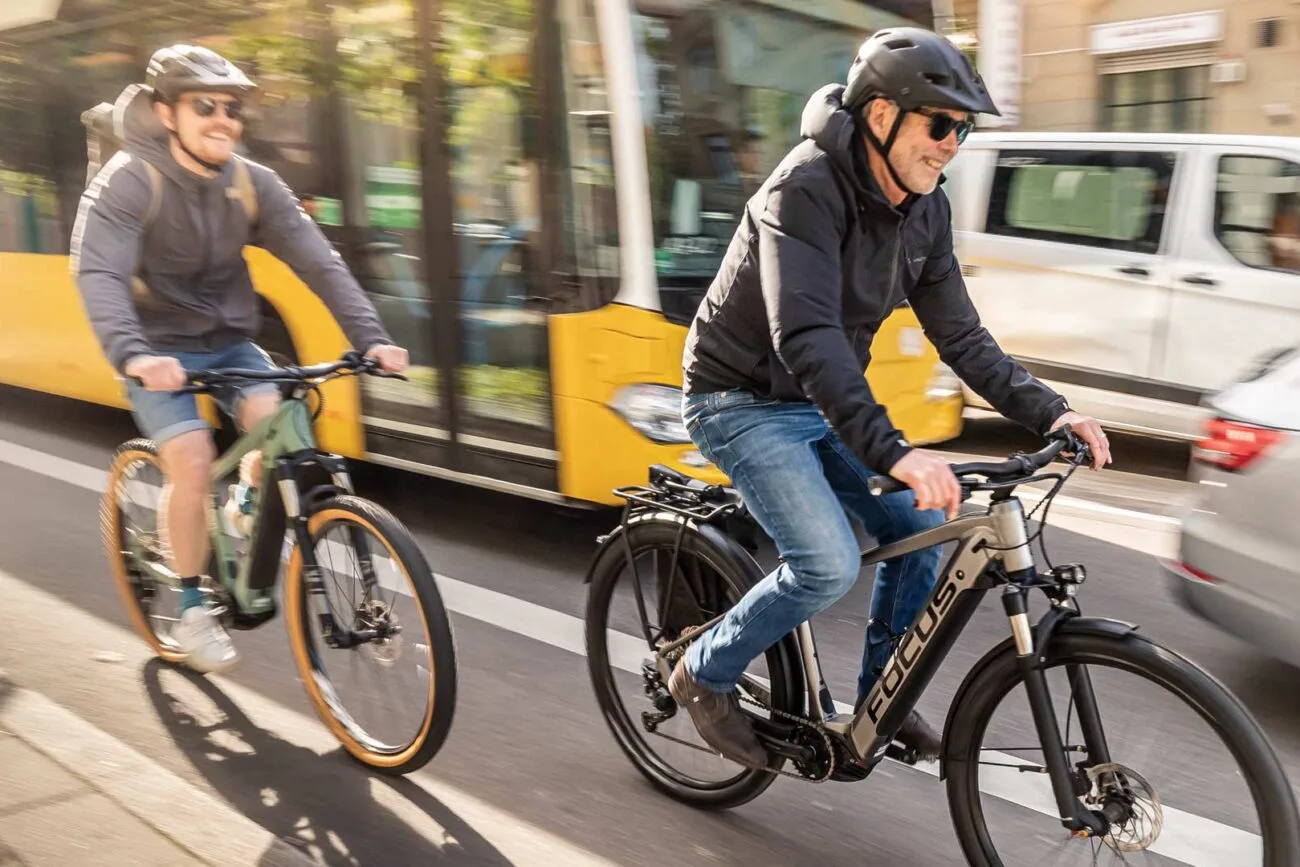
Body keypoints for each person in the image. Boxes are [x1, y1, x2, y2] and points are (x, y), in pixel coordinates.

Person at [672, 27, 1112, 767]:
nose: (952, 145)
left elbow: (963, 338)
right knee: (827, 564)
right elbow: (806, 336)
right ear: (881, 116)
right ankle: (703, 672)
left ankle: (881, 699)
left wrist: (1053, 409)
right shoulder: (803, 189)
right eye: (940, 124)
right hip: (738, 400)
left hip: (816, 400)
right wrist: (897, 450)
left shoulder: (924, 209)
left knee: (921, 527)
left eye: (963, 129)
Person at [71, 45, 408, 674]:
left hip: (228, 340)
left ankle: (245, 506)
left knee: (287, 431)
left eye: (232, 108)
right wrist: (135, 354)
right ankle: (194, 605)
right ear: (167, 113)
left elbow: (319, 262)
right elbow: (99, 274)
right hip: (155, 349)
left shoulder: (253, 184)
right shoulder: (127, 181)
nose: (223, 119)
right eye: (206, 106)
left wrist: (371, 337)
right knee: (193, 459)